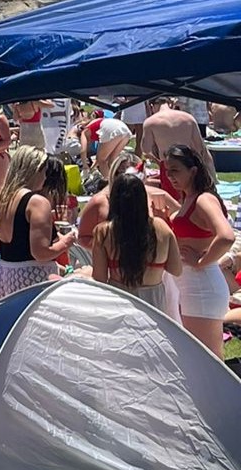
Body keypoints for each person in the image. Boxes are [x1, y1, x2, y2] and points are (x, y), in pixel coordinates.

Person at [161, 144, 236, 356]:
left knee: (208, 358)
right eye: (168, 171)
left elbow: (226, 236)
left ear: (193, 170)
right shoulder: (187, 199)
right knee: (194, 356)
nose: (170, 176)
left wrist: (202, 262)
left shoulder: (204, 199)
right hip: (188, 285)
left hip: (202, 287)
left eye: (175, 170)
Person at [0, 145, 76, 299]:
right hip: (31, 278)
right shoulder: (36, 202)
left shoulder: (3, 199)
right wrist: (67, 242)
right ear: (34, 171)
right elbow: (40, 253)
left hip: (4, 275)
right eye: (44, 171)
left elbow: (3, 246)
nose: (45, 178)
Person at [92, 172, 183, 307]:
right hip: (154, 302)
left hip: (120, 301)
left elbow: (99, 278)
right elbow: (177, 270)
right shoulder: (162, 228)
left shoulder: (103, 232)